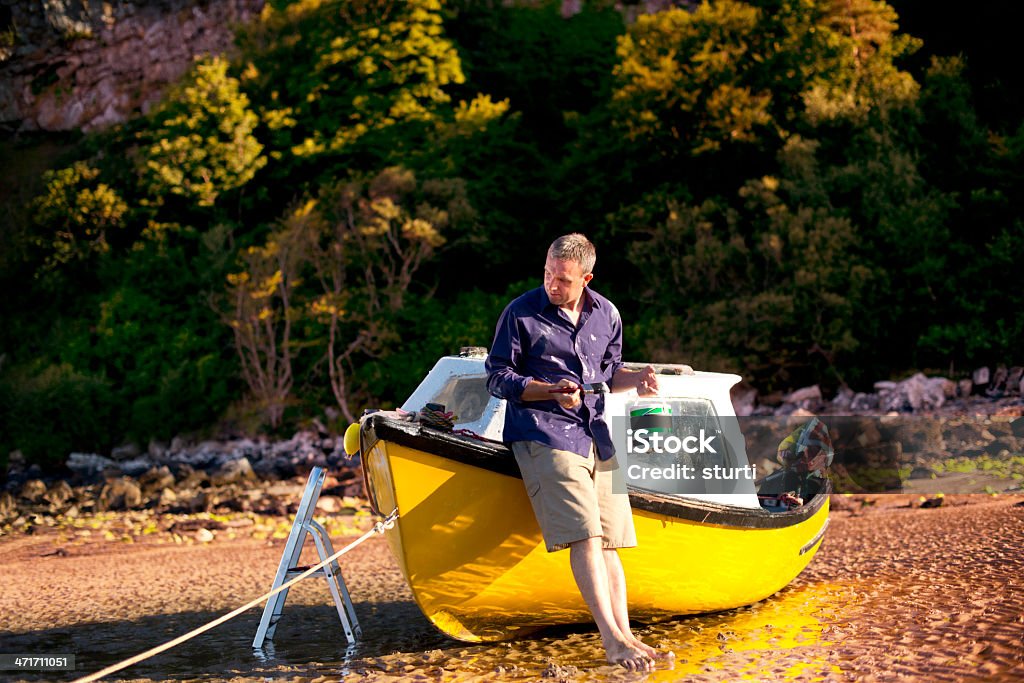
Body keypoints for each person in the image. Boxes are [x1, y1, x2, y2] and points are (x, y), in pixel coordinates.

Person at [485, 233, 672, 671]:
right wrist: (548, 391)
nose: (552, 284)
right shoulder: (520, 312)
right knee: (586, 535)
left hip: (596, 433)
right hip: (543, 432)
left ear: (586, 277)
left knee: (611, 542)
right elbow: (497, 377)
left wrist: (638, 379)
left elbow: (609, 373)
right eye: (548, 274)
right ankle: (612, 642)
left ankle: (628, 637)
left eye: (563, 279)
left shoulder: (607, 313)